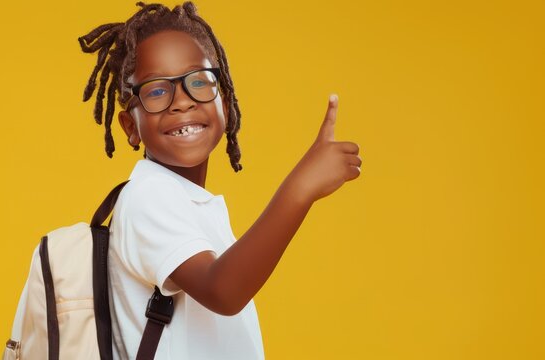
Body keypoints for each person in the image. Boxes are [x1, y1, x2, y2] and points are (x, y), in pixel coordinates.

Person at [78, 2, 362, 359]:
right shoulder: (148, 195)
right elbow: (223, 291)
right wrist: (300, 189)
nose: (181, 102)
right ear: (130, 126)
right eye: (155, 91)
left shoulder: (188, 201)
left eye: (199, 82)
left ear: (225, 106)